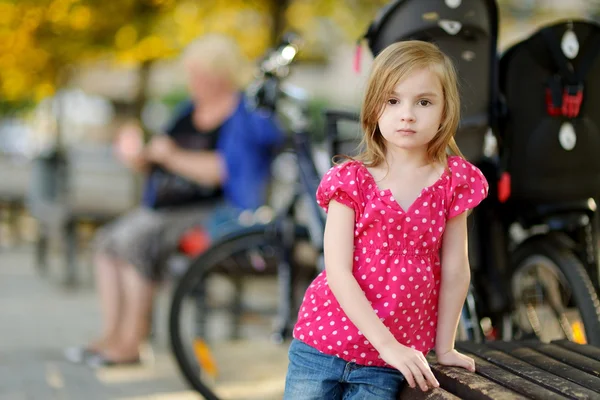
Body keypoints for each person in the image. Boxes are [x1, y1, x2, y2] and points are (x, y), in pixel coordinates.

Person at [283, 40, 488, 399]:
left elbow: (456, 269)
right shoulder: (352, 180)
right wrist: (387, 344)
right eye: (393, 100)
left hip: (386, 366)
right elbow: (338, 270)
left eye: (423, 102)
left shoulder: (453, 182)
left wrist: (445, 347)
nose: (407, 113)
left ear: (444, 110)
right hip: (322, 347)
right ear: (374, 106)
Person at [65, 34, 284, 367]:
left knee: (135, 242)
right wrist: (137, 155)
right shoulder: (187, 109)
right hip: (165, 207)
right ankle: (111, 336)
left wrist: (171, 156)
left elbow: (224, 171)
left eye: (199, 75)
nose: (192, 82)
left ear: (220, 74)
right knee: (105, 242)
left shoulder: (244, 115)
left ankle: (131, 343)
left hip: (215, 212)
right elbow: (159, 156)